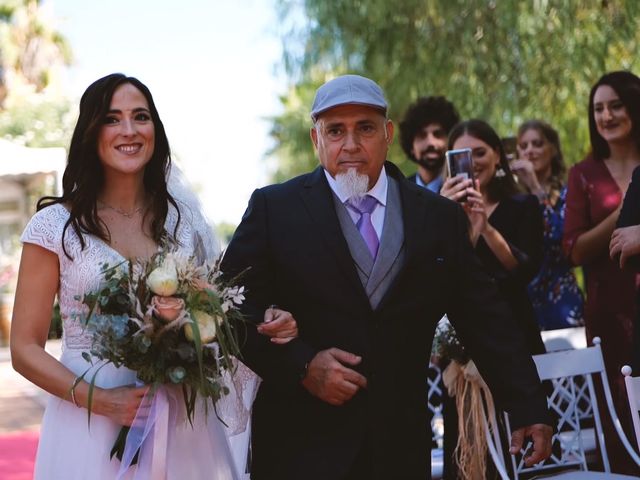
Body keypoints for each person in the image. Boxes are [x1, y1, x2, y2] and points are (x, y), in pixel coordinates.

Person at [221, 74, 553, 480]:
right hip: (300, 446)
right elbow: (227, 312)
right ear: (315, 139)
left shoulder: (437, 217)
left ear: (387, 133)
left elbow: (485, 316)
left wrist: (528, 404)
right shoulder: (275, 209)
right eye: (335, 131)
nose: (351, 144)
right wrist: (301, 365)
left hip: (399, 446)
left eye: (365, 128)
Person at [10, 73, 297, 479]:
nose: (129, 130)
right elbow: (24, 348)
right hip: (87, 424)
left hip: (180, 419)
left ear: (155, 131)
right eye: (112, 119)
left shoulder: (185, 224)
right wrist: (102, 401)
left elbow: (215, 310)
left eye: (140, 117)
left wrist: (265, 319)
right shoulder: (55, 226)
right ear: (91, 132)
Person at [563, 70, 640, 475]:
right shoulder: (583, 174)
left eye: (615, 105)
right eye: (597, 108)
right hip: (609, 314)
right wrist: (621, 212)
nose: (606, 116)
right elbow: (572, 250)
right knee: (620, 416)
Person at [511, 120, 584, 330]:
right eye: (523, 146)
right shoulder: (513, 200)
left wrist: (535, 186)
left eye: (537, 144)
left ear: (552, 149)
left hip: (563, 304)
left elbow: (562, 242)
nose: (530, 151)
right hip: (524, 306)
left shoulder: (569, 192)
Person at [400, 96, 460, 193]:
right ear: (411, 146)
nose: (430, 142)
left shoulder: (461, 188)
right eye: (422, 136)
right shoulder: (399, 192)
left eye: (437, 134)